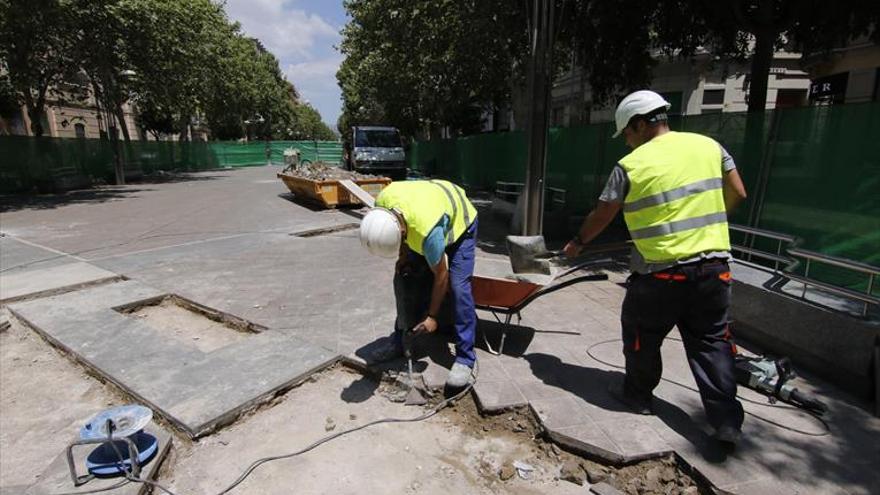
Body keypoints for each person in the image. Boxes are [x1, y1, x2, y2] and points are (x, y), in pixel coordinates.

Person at [564, 90, 748, 446]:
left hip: (661, 273)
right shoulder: (709, 146)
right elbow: (738, 192)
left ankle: (638, 395)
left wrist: (579, 242)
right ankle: (726, 421)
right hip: (714, 269)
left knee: (640, 334)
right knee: (712, 342)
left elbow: (604, 213)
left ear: (639, 124)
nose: (628, 143)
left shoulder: (631, 165)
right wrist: (705, 224)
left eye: (628, 134)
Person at [359, 179, 478, 388]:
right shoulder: (381, 205)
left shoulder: (426, 234)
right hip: (426, 211)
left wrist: (432, 317)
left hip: (461, 221)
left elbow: (442, 276)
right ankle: (399, 341)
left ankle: (465, 358)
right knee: (406, 276)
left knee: (459, 287)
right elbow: (403, 238)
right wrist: (403, 256)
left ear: (402, 230)